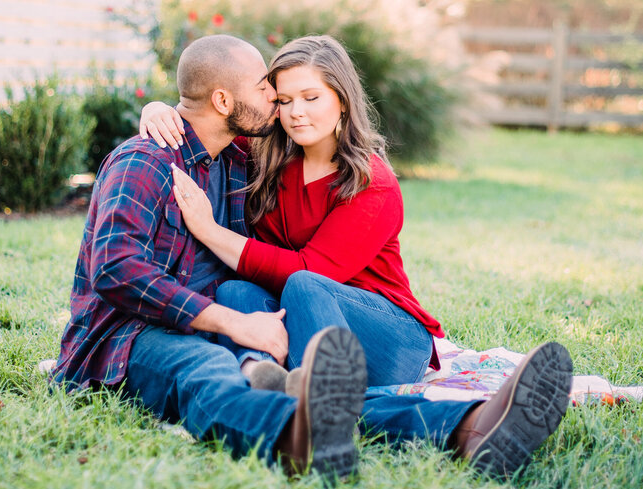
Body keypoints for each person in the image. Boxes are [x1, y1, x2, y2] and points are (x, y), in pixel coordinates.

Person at [138, 34, 575, 477]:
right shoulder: (266, 156)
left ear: (343, 101)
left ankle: (304, 397)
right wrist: (162, 110)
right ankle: (288, 396)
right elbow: (209, 118)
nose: (296, 112)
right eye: (284, 99)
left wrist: (211, 232)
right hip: (309, 332)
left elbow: (311, 271)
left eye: (311, 97)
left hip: (388, 338)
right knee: (234, 290)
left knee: (304, 282)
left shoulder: (371, 182)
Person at [53, 34, 368, 478]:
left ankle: (462, 422)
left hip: (211, 322)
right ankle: (296, 436)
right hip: (127, 337)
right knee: (207, 367)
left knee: (287, 370)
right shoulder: (144, 163)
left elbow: (313, 124)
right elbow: (116, 270)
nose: (275, 98)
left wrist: (163, 105)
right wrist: (232, 322)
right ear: (223, 100)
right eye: (263, 87)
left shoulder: (236, 159)